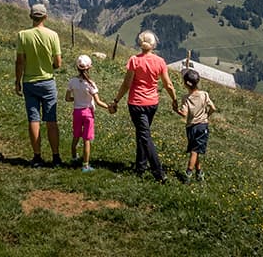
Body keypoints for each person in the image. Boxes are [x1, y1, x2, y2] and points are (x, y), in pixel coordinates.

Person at [109, 30, 178, 182]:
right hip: (152, 103)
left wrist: (116, 100)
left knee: (144, 136)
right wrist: (174, 99)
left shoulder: (134, 60)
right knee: (143, 133)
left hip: (136, 103)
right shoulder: (160, 61)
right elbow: (168, 84)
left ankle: (158, 173)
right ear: (153, 44)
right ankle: (140, 167)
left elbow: (127, 84)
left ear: (140, 43)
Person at [14, 3, 63, 167]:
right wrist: (51, 67)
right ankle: (56, 157)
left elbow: (20, 62)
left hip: (29, 82)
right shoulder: (53, 35)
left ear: (31, 17)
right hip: (48, 82)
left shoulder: (22, 35)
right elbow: (58, 62)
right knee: (51, 121)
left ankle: (37, 157)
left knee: (33, 120)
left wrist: (17, 81)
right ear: (45, 17)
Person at [65, 54, 112, 172]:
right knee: (86, 139)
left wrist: (75, 99)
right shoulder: (91, 84)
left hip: (77, 112)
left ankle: (74, 157)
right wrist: (109, 107)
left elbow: (67, 98)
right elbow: (98, 101)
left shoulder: (72, 82)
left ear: (77, 67)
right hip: (88, 113)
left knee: (76, 135)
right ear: (89, 68)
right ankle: (85, 165)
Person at [176, 67, 217, 183]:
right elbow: (213, 108)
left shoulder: (186, 98)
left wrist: (175, 109)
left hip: (190, 127)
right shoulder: (204, 94)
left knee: (194, 150)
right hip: (202, 126)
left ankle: (195, 173)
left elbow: (184, 113)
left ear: (186, 84)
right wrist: (207, 116)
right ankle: (191, 174)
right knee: (196, 150)